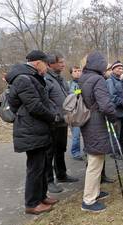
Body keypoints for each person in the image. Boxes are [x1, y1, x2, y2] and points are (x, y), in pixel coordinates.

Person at [6, 50, 59, 214]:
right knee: (35, 168)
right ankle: (31, 203)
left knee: (42, 165)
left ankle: (42, 196)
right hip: (31, 129)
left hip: (38, 128)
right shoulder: (23, 79)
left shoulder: (32, 77)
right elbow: (35, 106)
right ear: (37, 63)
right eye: (46, 65)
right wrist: (53, 117)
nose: (47, 68)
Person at [79, 51, 117, 212]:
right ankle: (88, 200)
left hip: (88, 121)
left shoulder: (84, 77)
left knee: (95, 158)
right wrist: (114, 116)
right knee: (95, 162)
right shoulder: (98, 79)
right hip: (96, 123)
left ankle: (94, 191)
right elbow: (106, 105)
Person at [45, 51, 78, 194]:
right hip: (52, 122)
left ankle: (61, 174)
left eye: (63, 62)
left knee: (61, 148)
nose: (63, 64)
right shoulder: (46, 79)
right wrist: (55, 115)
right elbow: (45, 102)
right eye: (60, 62)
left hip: (63, 121)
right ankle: (49, 181)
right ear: (50, 64)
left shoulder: (61, 78)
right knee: (49, 152)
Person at [107, 60, 123, 156]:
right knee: (116, 134)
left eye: (122, 68)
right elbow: (112, 97)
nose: (121, 70)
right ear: (113, 69)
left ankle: (121, 151)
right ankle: (115, 152)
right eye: (118, 68)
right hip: (116, 112)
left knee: (122, 134)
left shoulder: (119, 80)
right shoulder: (110, 81)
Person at [68, 66, 83, 160]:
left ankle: (87, 151)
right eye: (75, 71)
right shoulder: (68, 84)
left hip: (84, 112)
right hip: (74, 113)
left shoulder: (84, 82)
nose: (78, 72)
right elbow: (72, 94)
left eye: (79, 70)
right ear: (71, 73)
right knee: (76, 135)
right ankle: (76, 153)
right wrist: (81, 91)